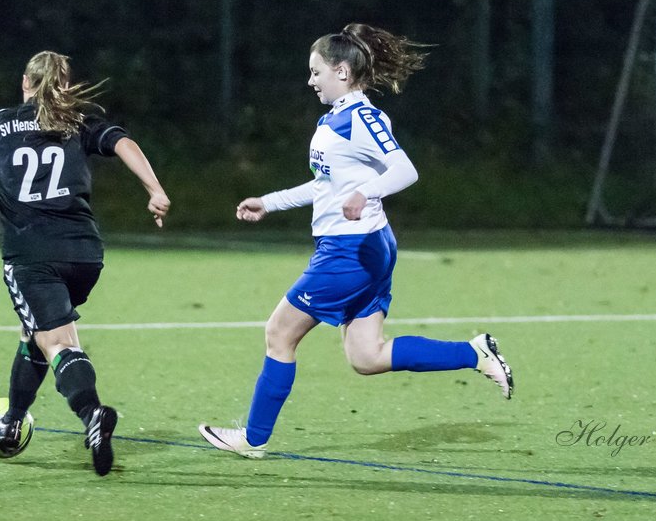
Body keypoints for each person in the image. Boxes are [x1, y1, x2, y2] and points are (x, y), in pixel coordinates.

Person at [198, 23, 512, 459]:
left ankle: (253, 438)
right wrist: (270, 202)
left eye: (315, 72)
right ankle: (475, 353)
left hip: (350, 251)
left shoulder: (362, 118)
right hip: (366, 247)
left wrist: (367, 192)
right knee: (367, 356)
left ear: (341, 72)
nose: (310, 81)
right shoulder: (335, 118)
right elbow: (324, 185)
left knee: (279, 334)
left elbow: (405, 170)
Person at [0, 50, 170, 475]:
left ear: (24, 83)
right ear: (66, 87)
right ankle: (14, 418)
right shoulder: (80, 122)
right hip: (85, 255)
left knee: (59, 343)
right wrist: (154, 189)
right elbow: (123, 142)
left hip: (32, 256)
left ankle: (91, 415)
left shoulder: (0, 123)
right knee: (34, 332)